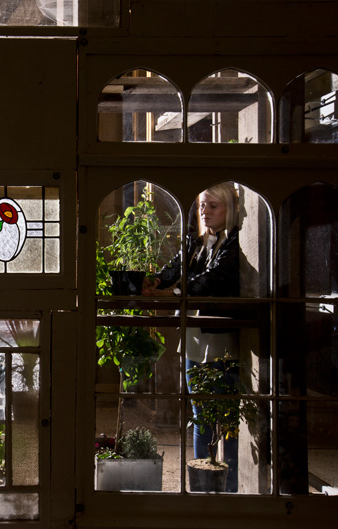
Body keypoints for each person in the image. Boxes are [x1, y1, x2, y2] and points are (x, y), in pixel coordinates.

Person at [142, 181, 242, 492]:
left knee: (226, 418)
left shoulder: (234, 242)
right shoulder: (196, 242)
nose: (205, 211)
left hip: (222, 339)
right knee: (199, 415)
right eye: (202, 206)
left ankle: (230, 487)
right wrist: (155, 281)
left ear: (229, 209)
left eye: (213, 206)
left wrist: (174, 292)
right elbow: (175, 268)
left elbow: (214, 279)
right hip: (194, 337)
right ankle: (201, 486)